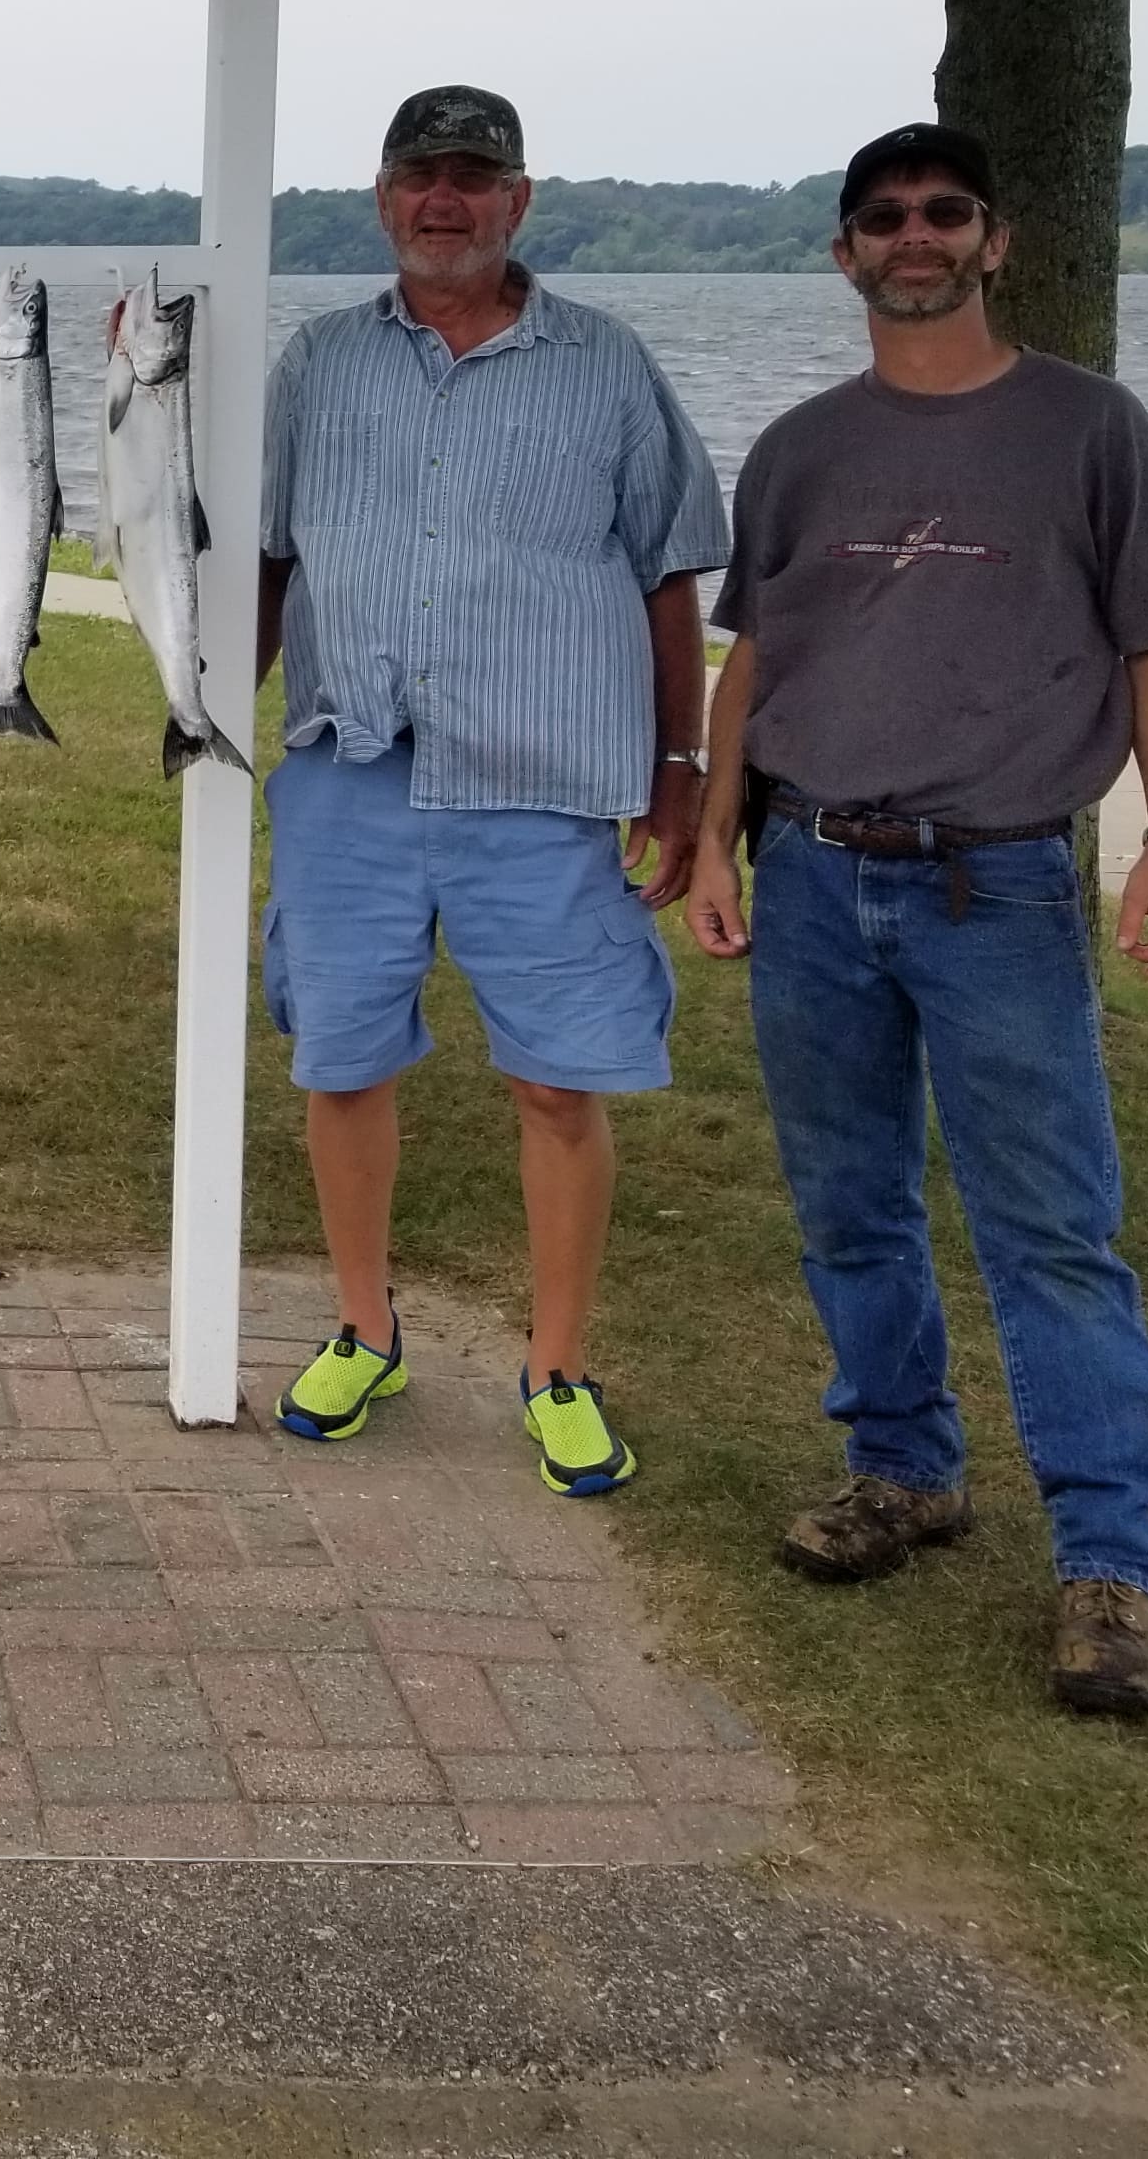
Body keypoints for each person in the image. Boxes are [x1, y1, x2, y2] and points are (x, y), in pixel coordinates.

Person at [687, 125, 1148, 1718]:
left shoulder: (1088, 431)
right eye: (883, 219)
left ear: (995, 241)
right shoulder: (798, 450)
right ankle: (904, 1471)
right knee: (851, 1204)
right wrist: (715, 840)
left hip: (997, 884)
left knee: (1049, 1228)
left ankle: (1109, 1562)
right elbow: (754, 662)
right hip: (814, 883)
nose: (914, 237)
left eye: (945, 213)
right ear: (845, 254)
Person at [256, 85, 729, 1495]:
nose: (444, 200)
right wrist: (210, 713)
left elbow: (669, 572)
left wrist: (680, 769)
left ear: (521, 198)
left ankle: (558, 1363)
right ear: (383, 195)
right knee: (341, 1060)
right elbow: (266, 559)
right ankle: (361, 1327)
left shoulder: (607, 365)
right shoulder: (317, 363)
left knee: (556, 1080)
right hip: (352, 767)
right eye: (421, 176)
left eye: (474, 176)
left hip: (542, 784)